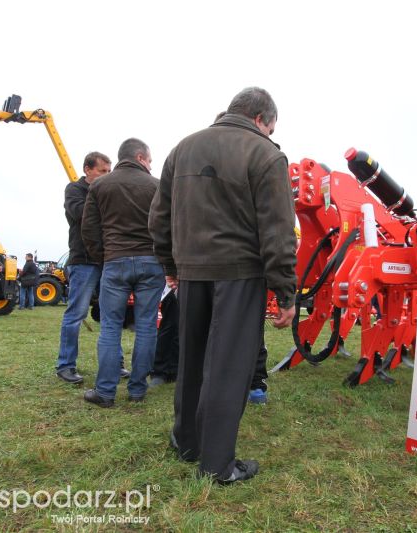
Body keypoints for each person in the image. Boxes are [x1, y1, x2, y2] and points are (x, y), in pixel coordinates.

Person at [149, 87, 297, 484]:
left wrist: (170, 264)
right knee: (229, 366)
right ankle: (217, 465)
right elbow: (278, 230)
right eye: (271, 127)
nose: (270, 132)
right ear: (262, 119)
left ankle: (188, 442)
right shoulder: (266, 154)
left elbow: (159, 216)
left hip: (191, 270)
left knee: (192, 358)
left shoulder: (182, 149)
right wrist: (286, 290)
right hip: (239, 274)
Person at [81, 138, 164, 407]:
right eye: (150, 160)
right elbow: (169, 228)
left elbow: (89, 230)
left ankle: (105, 393)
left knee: (110, 327)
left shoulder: (100, 185)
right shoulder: (158, 186)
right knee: (147, 326)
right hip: (151, 262)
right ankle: (137, 390)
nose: (151, 165)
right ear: (140, 157)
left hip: (114, 261)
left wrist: (103, 258)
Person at [55, 152, 112, 384]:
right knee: (76, 314)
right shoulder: (74, 190)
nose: (107, 176)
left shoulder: (106, 190)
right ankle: (65, 365)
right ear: (88, 169)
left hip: (107, 260)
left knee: (112, 315)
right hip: (83, 262)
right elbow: (80, 214)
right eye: (102, 171)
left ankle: (113, 364)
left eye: (109, 172)